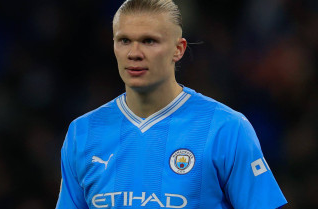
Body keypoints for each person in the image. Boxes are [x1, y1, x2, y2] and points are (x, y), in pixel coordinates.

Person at [56, 0, 287, 208]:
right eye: (124, 40)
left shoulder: (226, 128)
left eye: (149, 41)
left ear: (178, 49)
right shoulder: (83, 132)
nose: (134, 53)